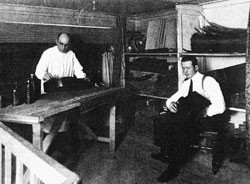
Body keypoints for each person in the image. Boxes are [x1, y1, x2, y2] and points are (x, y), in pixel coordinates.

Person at [151, 56, 226, 183]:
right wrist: (171, 105)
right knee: (161, 118)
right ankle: (165, 152)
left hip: (208, 118)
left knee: (181, 127)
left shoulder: (209, 81)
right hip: (191, 116)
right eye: (183, 68)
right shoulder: (187, 83)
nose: (185, 71)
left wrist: (204, 112)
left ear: (196, 67)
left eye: (188, 68)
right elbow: (171, 99)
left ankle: (173, 168)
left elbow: (221, 107)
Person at [35, 32, 88, 162]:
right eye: (61, 44)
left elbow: (78, 71)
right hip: (50, 94)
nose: (64, 47)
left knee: (65, 122)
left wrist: (84, 78)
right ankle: (46, 152)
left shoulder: (71, 54)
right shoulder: (48, 53)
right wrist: (44, 75)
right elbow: (39, 71)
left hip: (67, 93)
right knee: (50, 123)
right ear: (56, 41)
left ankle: (62, 149)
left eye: (66, 45)